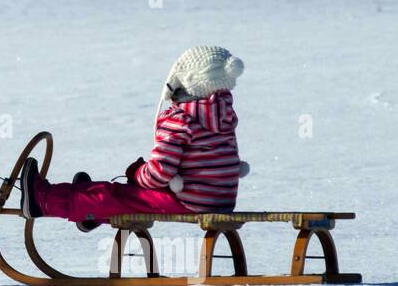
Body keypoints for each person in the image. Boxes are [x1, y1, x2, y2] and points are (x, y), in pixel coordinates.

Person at [20, 46, 249, 228]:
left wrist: (137, 174)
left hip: (189, 202)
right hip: (221, 200)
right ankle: (90, 209)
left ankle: (43, 201)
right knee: (125, 195)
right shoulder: (223, 115)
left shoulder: (181, 119)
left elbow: (160, 173)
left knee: (114, 196)